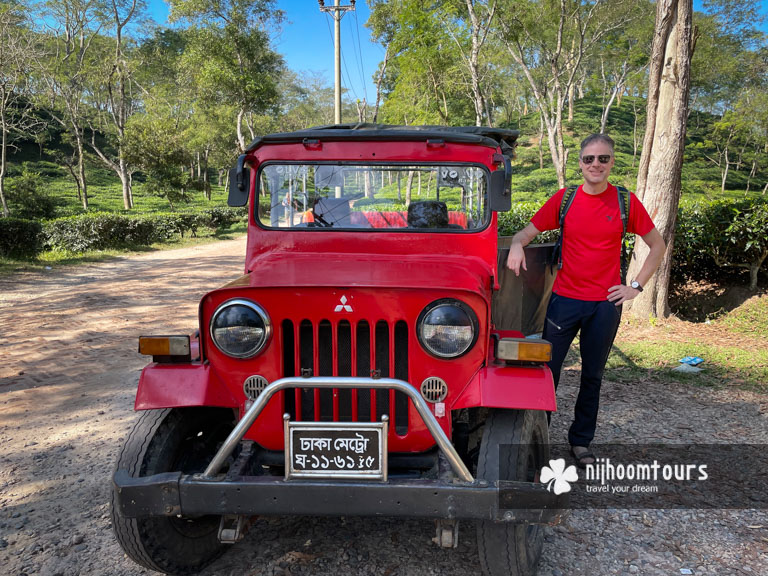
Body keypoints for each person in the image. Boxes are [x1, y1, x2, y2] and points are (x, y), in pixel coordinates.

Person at [506, 134, 666, 468]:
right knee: (546, 373)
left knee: (592, 375)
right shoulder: (564, 200)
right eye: (589, 159)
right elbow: (524, 234)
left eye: (603, 159)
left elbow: (657, 246)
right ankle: (539, 436)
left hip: (605, 306)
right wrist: (519, 245)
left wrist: (635, 286)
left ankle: (580, 442)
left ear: (611, 163)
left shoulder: (625, 202)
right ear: (579, 163)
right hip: (564, 301)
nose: (596, 165)